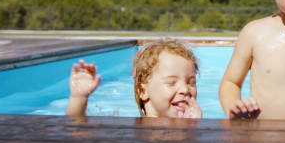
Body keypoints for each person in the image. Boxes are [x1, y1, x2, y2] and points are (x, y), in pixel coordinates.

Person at [66, 38, 202, 118]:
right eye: (171, 82)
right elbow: (75, 136)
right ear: (142, 91)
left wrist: (192, 128)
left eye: (191, 82)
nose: (185, 89)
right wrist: (79, 98)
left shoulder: (193, 126)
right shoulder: (132, 131)